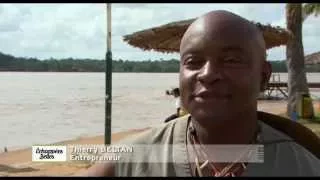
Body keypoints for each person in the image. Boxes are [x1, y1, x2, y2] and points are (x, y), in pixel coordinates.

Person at [77, 10, 320, 177]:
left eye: (231, 60)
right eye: (193, 62)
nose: (207, 74)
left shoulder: (301, 165)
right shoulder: (132, 159)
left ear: (263, 77)